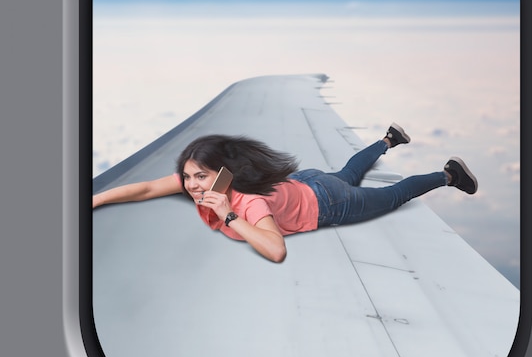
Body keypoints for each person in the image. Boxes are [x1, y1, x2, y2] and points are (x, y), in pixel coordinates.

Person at [92, 123, 477, 263]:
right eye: (187, 176)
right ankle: (388, 139)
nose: (191, 185)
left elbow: (276, 250)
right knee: (349, 171)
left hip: (329, 203)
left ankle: (447, 174)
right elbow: (145, 188)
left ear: (221, 175)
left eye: (199, 177)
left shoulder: (245, 201)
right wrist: (92, 200)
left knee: (392, 196)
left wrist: (230, 215)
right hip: (308, 183)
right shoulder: (209, 180)